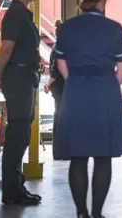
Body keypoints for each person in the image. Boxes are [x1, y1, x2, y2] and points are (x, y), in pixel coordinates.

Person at [53, 0, 122, 218]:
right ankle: (97, 213)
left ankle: (81, 213)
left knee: (77, 156)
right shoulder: (114, 29)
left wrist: (76, 82)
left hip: (75, 92)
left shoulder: (67, 27)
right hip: (105, 93)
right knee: (102, 155)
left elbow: (61, 65)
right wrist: (106, 85)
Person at [0, 0, 42, 206]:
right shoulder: (15, 15)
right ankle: (11, 190)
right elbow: (6, 50)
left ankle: (16, 186)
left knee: (21, 133)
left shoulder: (22, 14)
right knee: (18, 134)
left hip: (24, 77)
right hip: (18, 77)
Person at [44, 19, 65, 160]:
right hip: (61, 86)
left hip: (59, 87)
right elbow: (55, 70)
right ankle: (61, 152)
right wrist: (48, 83)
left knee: (60, 117)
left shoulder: (58, 46)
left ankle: (60, 152)